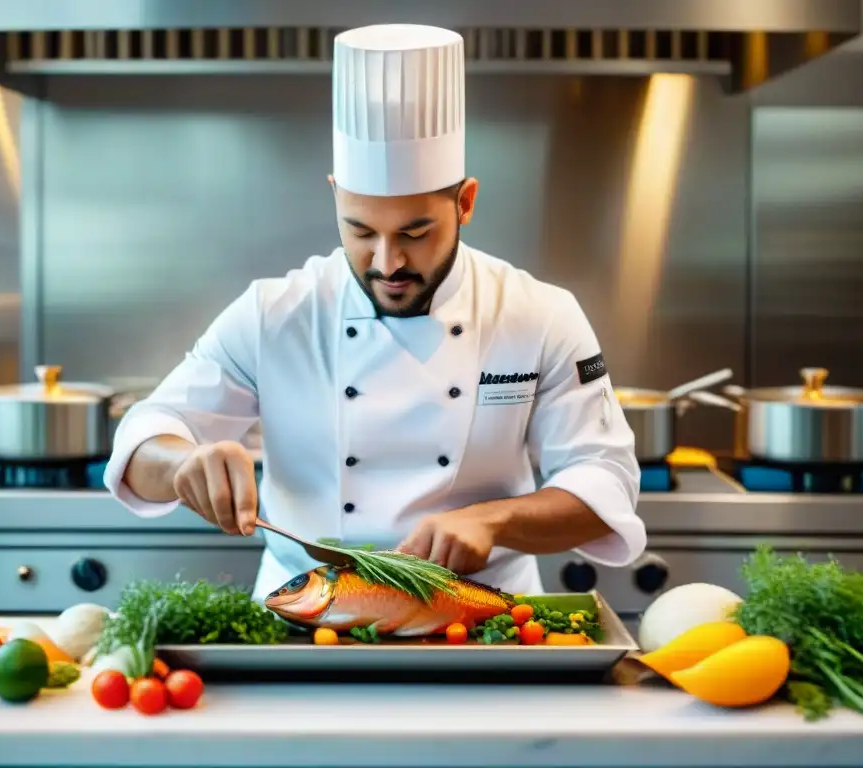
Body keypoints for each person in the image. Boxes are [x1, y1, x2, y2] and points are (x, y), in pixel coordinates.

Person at [104, 23, 645, 602]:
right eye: (360, 231)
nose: (387, 262)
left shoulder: (539, 314)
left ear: (465, 202)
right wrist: (184, 464)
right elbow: (142, 441)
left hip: (485, 621)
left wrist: (494, 521)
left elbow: (604, 482)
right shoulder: (274, 313)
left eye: (415, 232)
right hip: (303, 618)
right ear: (335, 193)